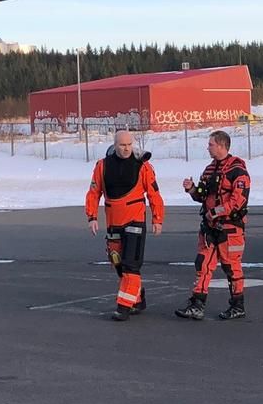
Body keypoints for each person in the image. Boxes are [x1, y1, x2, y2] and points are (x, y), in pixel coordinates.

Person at [85, 129, 165, 322]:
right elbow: (94, 192)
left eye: (129, 145)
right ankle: (137, 297)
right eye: (122, 145)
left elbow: (154, 194)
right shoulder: (102, 166)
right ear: (115, 145)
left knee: (131, 265)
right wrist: (92, 216)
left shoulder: (143, 166)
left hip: (135, 220)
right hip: (113, 222)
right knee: (118, 264)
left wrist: (157, 219)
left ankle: (124, 307)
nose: (126, 149)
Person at [177, 130, 251, 321]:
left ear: (221, 145)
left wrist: (216, 212)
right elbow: (201, 195)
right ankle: (197, 304)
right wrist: (191, 189)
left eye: (210, 144)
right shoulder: (209, 169)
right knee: (202, 265)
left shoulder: (238, 171)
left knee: (231, 266)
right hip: (209, 228)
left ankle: (238, 306)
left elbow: (238, 202)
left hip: (230, 228)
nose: (207, 147)